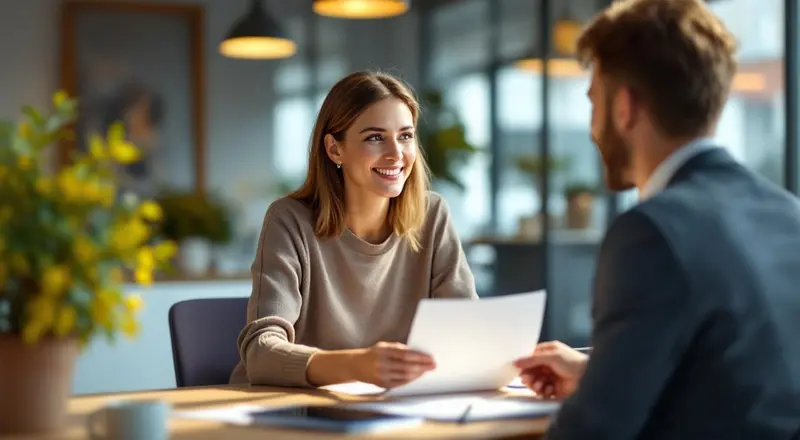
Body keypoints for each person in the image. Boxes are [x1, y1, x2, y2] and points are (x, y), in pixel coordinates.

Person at [513, 0, 800, 438]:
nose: (592, 127)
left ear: (624, 107)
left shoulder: (652, 232)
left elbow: (592, 433)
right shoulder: (787, 213)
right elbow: (742, 382)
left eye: (593, 101)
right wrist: (598, 374)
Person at [229, 71, 478, 390]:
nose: (396, 153)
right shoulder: (289, 220)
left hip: (393, 407)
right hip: (293, 409)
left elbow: (469, 332)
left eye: (405, 136)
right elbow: (261, 352)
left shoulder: (432, 215)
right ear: (334, 149)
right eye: (375, 138)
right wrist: (357, 366)